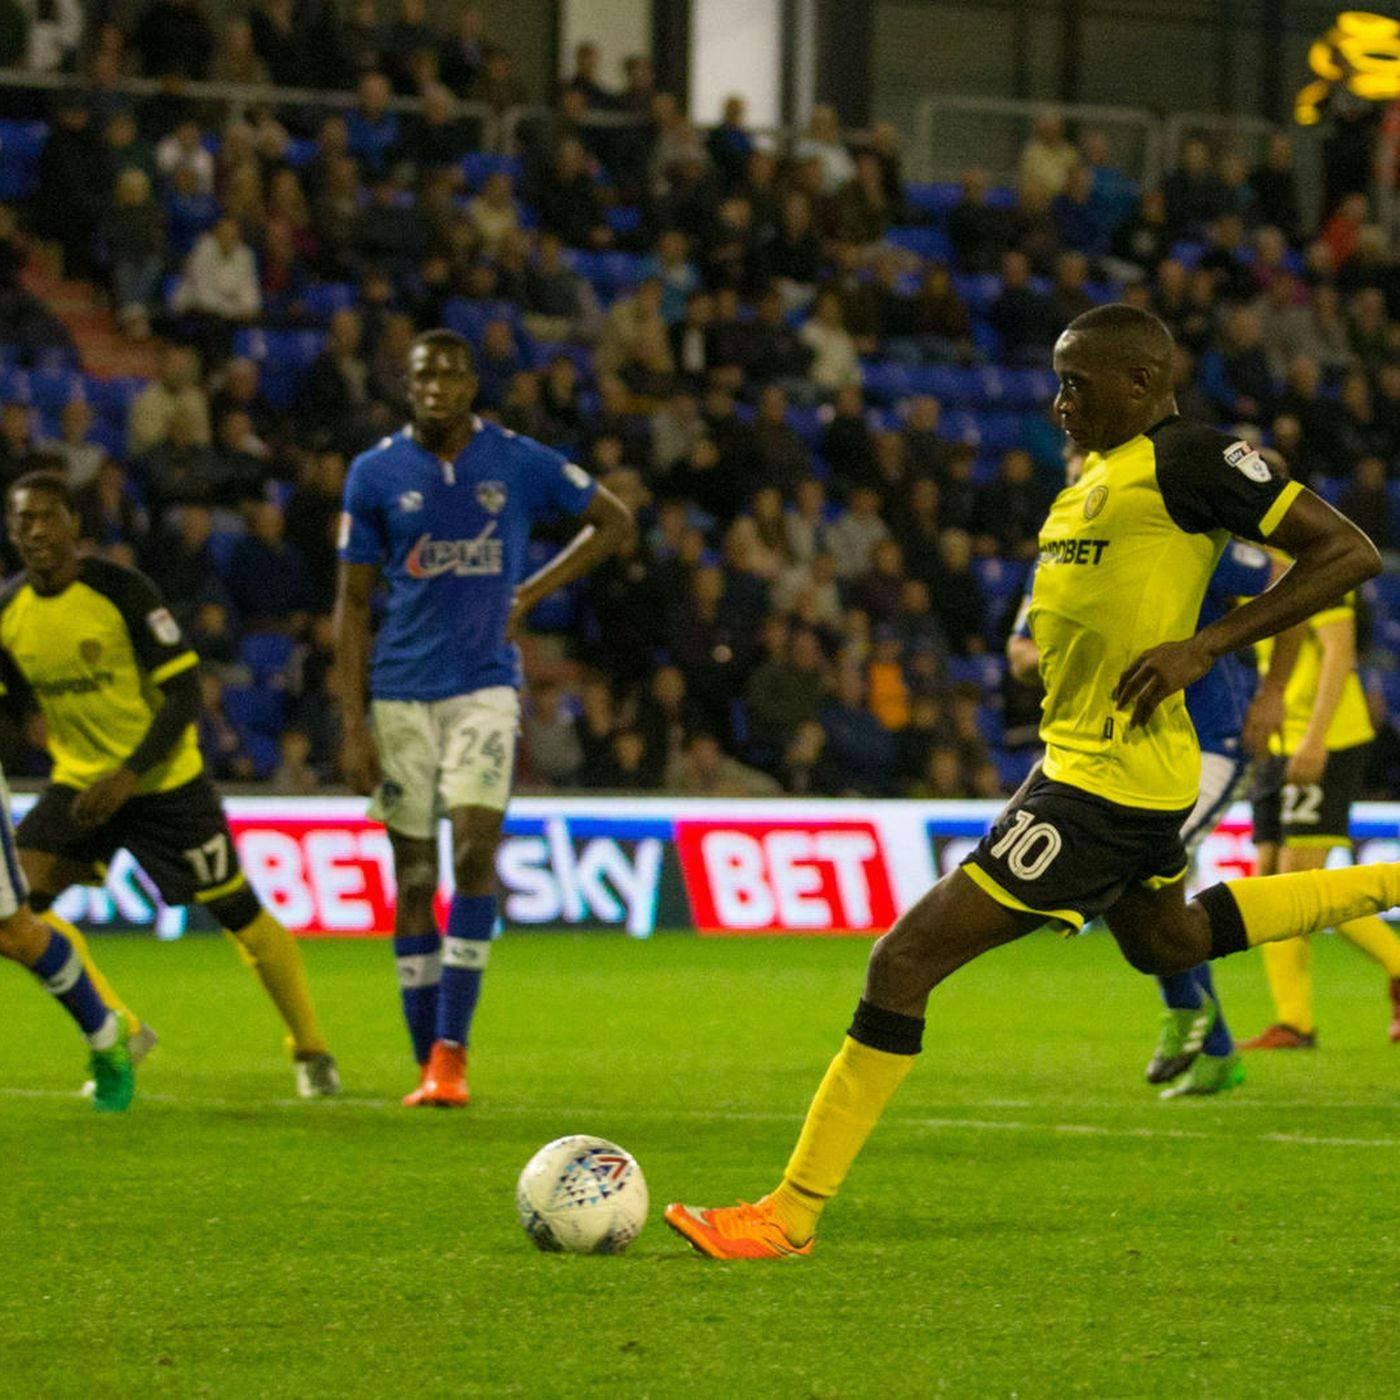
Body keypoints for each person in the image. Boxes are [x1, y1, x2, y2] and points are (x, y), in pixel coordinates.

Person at [664, 304, 1392, 1260]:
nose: (1057, 402)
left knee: (903, 961)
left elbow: (1347, 551)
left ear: (1142, 381)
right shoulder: (1094, 484)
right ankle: (1388, 882)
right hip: (1098, 766)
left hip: (1107, 785)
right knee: (1165, 939)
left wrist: (1205, 646)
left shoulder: (1193, 460)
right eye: (1055, 381)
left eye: (1077, 384)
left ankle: (788, 1215)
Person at [332, 330, 632, 1108]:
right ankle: (423, 1055)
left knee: (470, 855)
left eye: (451, 374)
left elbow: (615, 520)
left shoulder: (518, 459)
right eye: (424, 373)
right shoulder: (374, 473)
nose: (437, 385)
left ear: (472, 385)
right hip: (399, 695)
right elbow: (352, 603)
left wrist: (532, 591)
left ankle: (452, 1055)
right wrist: (351, 722)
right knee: (414, 874)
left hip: (484, 688)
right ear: (408, 385)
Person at [0, 472, 339, 1099]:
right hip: (80, 785)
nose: (35, 532)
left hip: (164, 783)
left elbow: (184, 691)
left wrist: (131, 773)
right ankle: (117, 1027)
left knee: (236, 911)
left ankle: (310, 1047)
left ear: (73, 523)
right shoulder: (9, 611)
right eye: (22, 521)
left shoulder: (121, 590)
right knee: (16, 915)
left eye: (47, 517)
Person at [1009, 533, 1275, 1097]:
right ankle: (1218, 1049)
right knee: (1142, 885)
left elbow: (1280, 582)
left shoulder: (1172, 532)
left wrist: (1272, 692)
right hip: (1121, 747)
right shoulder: (1062, 549)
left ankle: (1185, 1008)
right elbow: (1020, 653)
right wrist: (1071, 655)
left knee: (1129, 867)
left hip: (1208, 742)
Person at [1241, 586, 1400, 1049]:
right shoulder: (1247, 568)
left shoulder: (1313, 567)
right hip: (1279, 739)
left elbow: (1338, 653)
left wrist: (1314, 740)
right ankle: (1293, 1022)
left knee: (1299, 880)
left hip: (1326, 739)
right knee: (1267, 879)